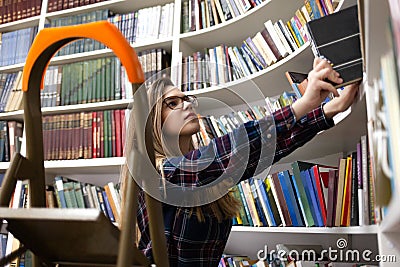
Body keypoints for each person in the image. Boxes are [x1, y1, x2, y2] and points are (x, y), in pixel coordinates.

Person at [121, 57, 360, 266]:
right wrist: (303, 105)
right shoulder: (160, 175)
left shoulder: (202, 173)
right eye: (172, 103)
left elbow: (263, 149)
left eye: (186, 98)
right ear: (151, 120)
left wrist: (330, 109)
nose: (186, 104)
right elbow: (234, 148)